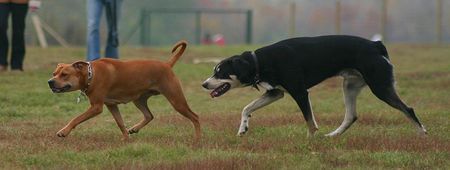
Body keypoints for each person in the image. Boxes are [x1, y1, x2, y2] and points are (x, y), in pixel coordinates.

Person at [0, 0, 39, 71]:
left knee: (18, 31)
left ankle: (16, 65)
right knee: (1, 26)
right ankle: (1, 62)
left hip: (21, 2)